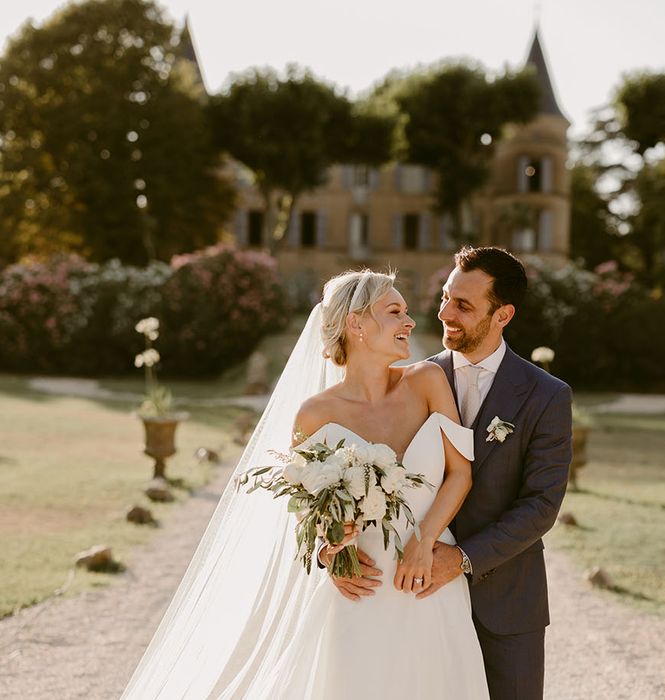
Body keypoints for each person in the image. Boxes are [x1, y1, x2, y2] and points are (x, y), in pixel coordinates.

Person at [123, 269, 489, 699]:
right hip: (360, 587)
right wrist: (330, 551)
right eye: (395, 312)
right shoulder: (314, 415)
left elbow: (459, 474)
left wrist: (425, 542)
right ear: (356, 324)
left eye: (406, 312)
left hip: (429, 577)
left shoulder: (427, 381)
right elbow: (308, 510)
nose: (410, 322)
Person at [327, 247, 573, 700]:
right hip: (411, 603)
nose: (443, 312)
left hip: (504, 603)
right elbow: (338, 478)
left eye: (463, 305)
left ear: (503, 315)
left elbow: (541, 505)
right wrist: (332, 553)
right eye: (444, 297)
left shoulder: (546, 395)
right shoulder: (406, 381)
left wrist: (459, 559)